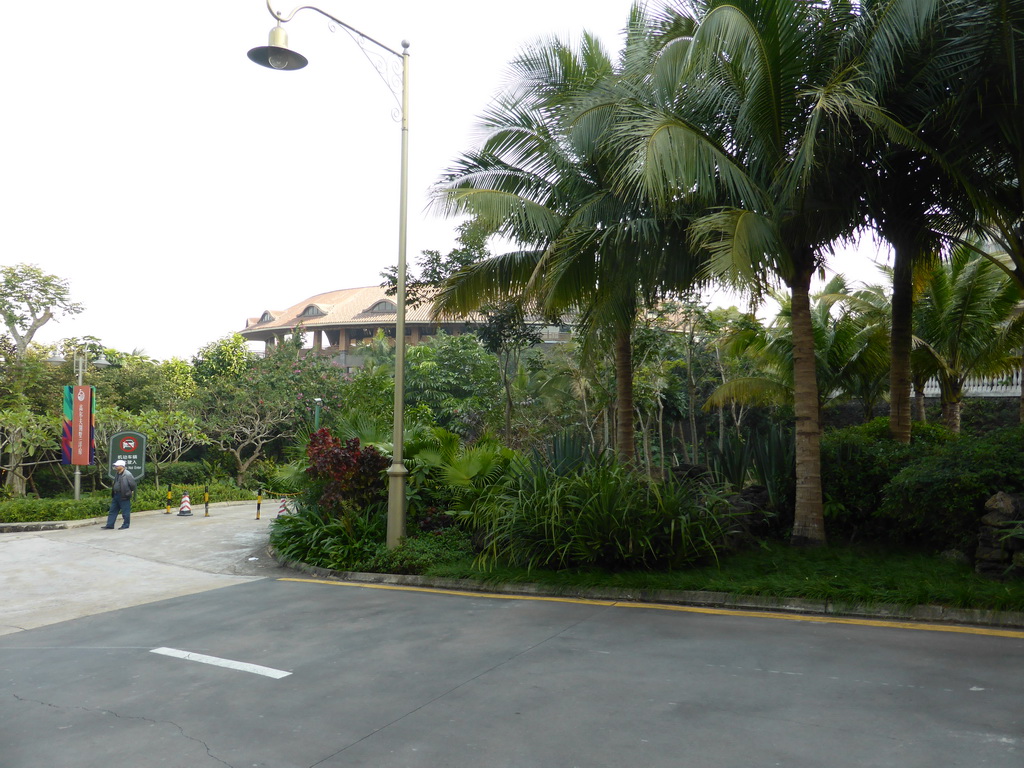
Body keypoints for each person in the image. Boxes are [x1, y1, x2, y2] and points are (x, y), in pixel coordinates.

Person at [102, 460, 137, 530]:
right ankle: (110, 524)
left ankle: (126, 524)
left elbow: (133, 484)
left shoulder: (127, 474)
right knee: (112, 510)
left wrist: (129, 491)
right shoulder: (117, 474)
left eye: (117, 466)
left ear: (122, 466)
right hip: (116, 495)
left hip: (124, 495)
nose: (116, 467)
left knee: (125, 511)